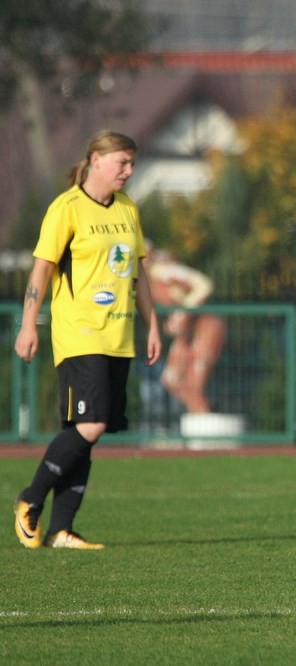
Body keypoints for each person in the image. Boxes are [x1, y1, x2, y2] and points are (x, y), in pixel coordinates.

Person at [13, 130, 162, 550]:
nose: (128, 171)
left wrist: (152, 325)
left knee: (84, 431)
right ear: (96, 159)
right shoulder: (66, 208)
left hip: (118, 335)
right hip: (80, 333)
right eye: (122, 162)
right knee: (91, 425)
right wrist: (28, 324)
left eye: (132, 164)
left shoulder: (128, 209)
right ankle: (30, 498)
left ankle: (61, 530)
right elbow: (41, 270)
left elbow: (138, 272)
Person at [146, 242, 226, 414]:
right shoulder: (144, 283)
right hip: (187, 333)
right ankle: (203, 412)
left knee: (194, 382)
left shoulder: (165, 271)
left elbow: (203, 285)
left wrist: (183, 312)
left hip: (206, 327)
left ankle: (203, 416)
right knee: (172, 380)